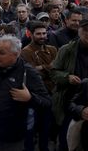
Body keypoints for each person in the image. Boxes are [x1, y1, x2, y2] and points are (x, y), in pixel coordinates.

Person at [0, 35, 51, 150]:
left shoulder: (27, 72)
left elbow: (47, 102)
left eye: (2, 53)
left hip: (11, 139)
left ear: (16, 54)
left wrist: (30, 98)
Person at [52, 18, 88, 150]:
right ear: (78, 31)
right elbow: (53, 72)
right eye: (85, 30)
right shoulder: (66, 50)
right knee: (67, 141)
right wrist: (67, 77)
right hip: (68, 102)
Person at [21, 21, 57, 151]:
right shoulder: (25, 52)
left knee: (46, 129)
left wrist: (42, 67)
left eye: (44, 33)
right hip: (34, 97)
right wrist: (48, 67)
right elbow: (33, 74)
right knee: (30, 129)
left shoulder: (52, 50)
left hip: (50, 95)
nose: (42, 36)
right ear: (31, 34)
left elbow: (57, 69)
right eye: (38, 34)